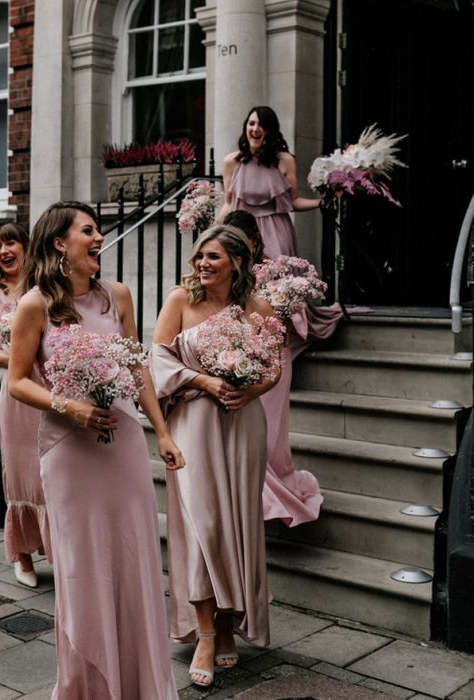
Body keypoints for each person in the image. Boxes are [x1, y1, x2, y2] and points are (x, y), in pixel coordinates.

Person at [8, 201, 183, 699]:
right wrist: (71, 407)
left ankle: (140, 686)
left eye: (99, 229)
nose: (99, 236)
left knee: (133, 561)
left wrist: (163, 433)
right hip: (68, 451)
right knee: (83, 568)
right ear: (60, 243)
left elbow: (137, 369)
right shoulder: (34, 305)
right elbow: (18, 381)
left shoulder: (118, 296)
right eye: (89, 230)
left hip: (122, 444)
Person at [151, 225, 280, 688]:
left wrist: (248, 392)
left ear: (237, 263)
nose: (203, 264)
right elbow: (158, 360)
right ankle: (204, 632)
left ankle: (228, 625)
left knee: (235, 525)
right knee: (201, 523)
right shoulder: (179, 302)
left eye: (213, 257)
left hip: (241, 426)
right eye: (199, 256)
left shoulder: (256, 308)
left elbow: (273, 368)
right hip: (193, 424)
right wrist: (204, 381)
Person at [217, 105, 342, 357]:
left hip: (275, 229)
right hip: (242, 229)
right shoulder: (232, 162)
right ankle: (250, 341)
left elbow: (293, 202)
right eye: (251, 123)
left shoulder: (285, 161)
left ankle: (282, 341)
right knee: (242, 285)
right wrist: (215, 236)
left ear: (269, 131)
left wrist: (321, 202)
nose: (254, 128)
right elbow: (229, 204)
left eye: (260, 125)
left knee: (277, 287)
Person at [225, 210, 323, 527]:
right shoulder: (224, 273)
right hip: (238, 361)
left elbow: (292, 325)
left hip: (272, 359)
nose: (235, 250)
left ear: (254, 241)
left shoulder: (275, 273)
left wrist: (281, 306)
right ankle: (249, 500)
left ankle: (273, 498)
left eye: (241, 243)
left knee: (271, 436)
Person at [0, 223, 51, 588]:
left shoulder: (43, 287)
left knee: (50, 472)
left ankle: (56, 548)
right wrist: (18, 359)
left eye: (10, 242)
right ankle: (22, 555)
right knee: (19, 472)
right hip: (16, 393)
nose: (4, 250)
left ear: (25, 246)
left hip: (48, 388)